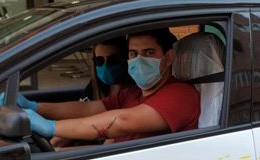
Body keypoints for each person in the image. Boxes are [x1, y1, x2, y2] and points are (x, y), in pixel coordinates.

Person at [15, 28, 200, 144]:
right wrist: (34, 107)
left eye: (149, 53)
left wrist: (51, 127)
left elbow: (122, 122)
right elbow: (87, 108)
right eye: (133, 53)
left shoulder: (180, 94)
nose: (139, 60)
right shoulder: (133, 93)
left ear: (168, 58)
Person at [52, 36, 134, 147]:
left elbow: (107, 149)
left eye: (113, 59)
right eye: (99, 60)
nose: (105, 65)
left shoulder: (133, 95)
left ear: (125, 59)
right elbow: (77, 120)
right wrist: (50, 146)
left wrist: (58, 153)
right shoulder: (95, 86)